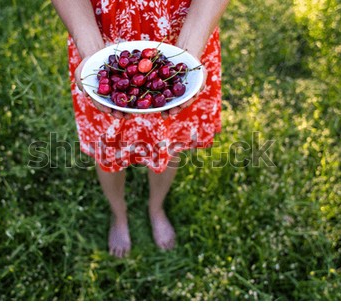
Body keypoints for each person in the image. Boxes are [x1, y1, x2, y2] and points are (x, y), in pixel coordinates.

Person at [51, 0, 230, 258]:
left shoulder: (182, 62)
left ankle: (155, 208)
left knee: (168, 141)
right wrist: (93, 57)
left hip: (184, 37)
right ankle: (119, 214)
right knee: (109, 148)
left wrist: (185, 59)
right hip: (100, 38)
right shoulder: (100, 63)